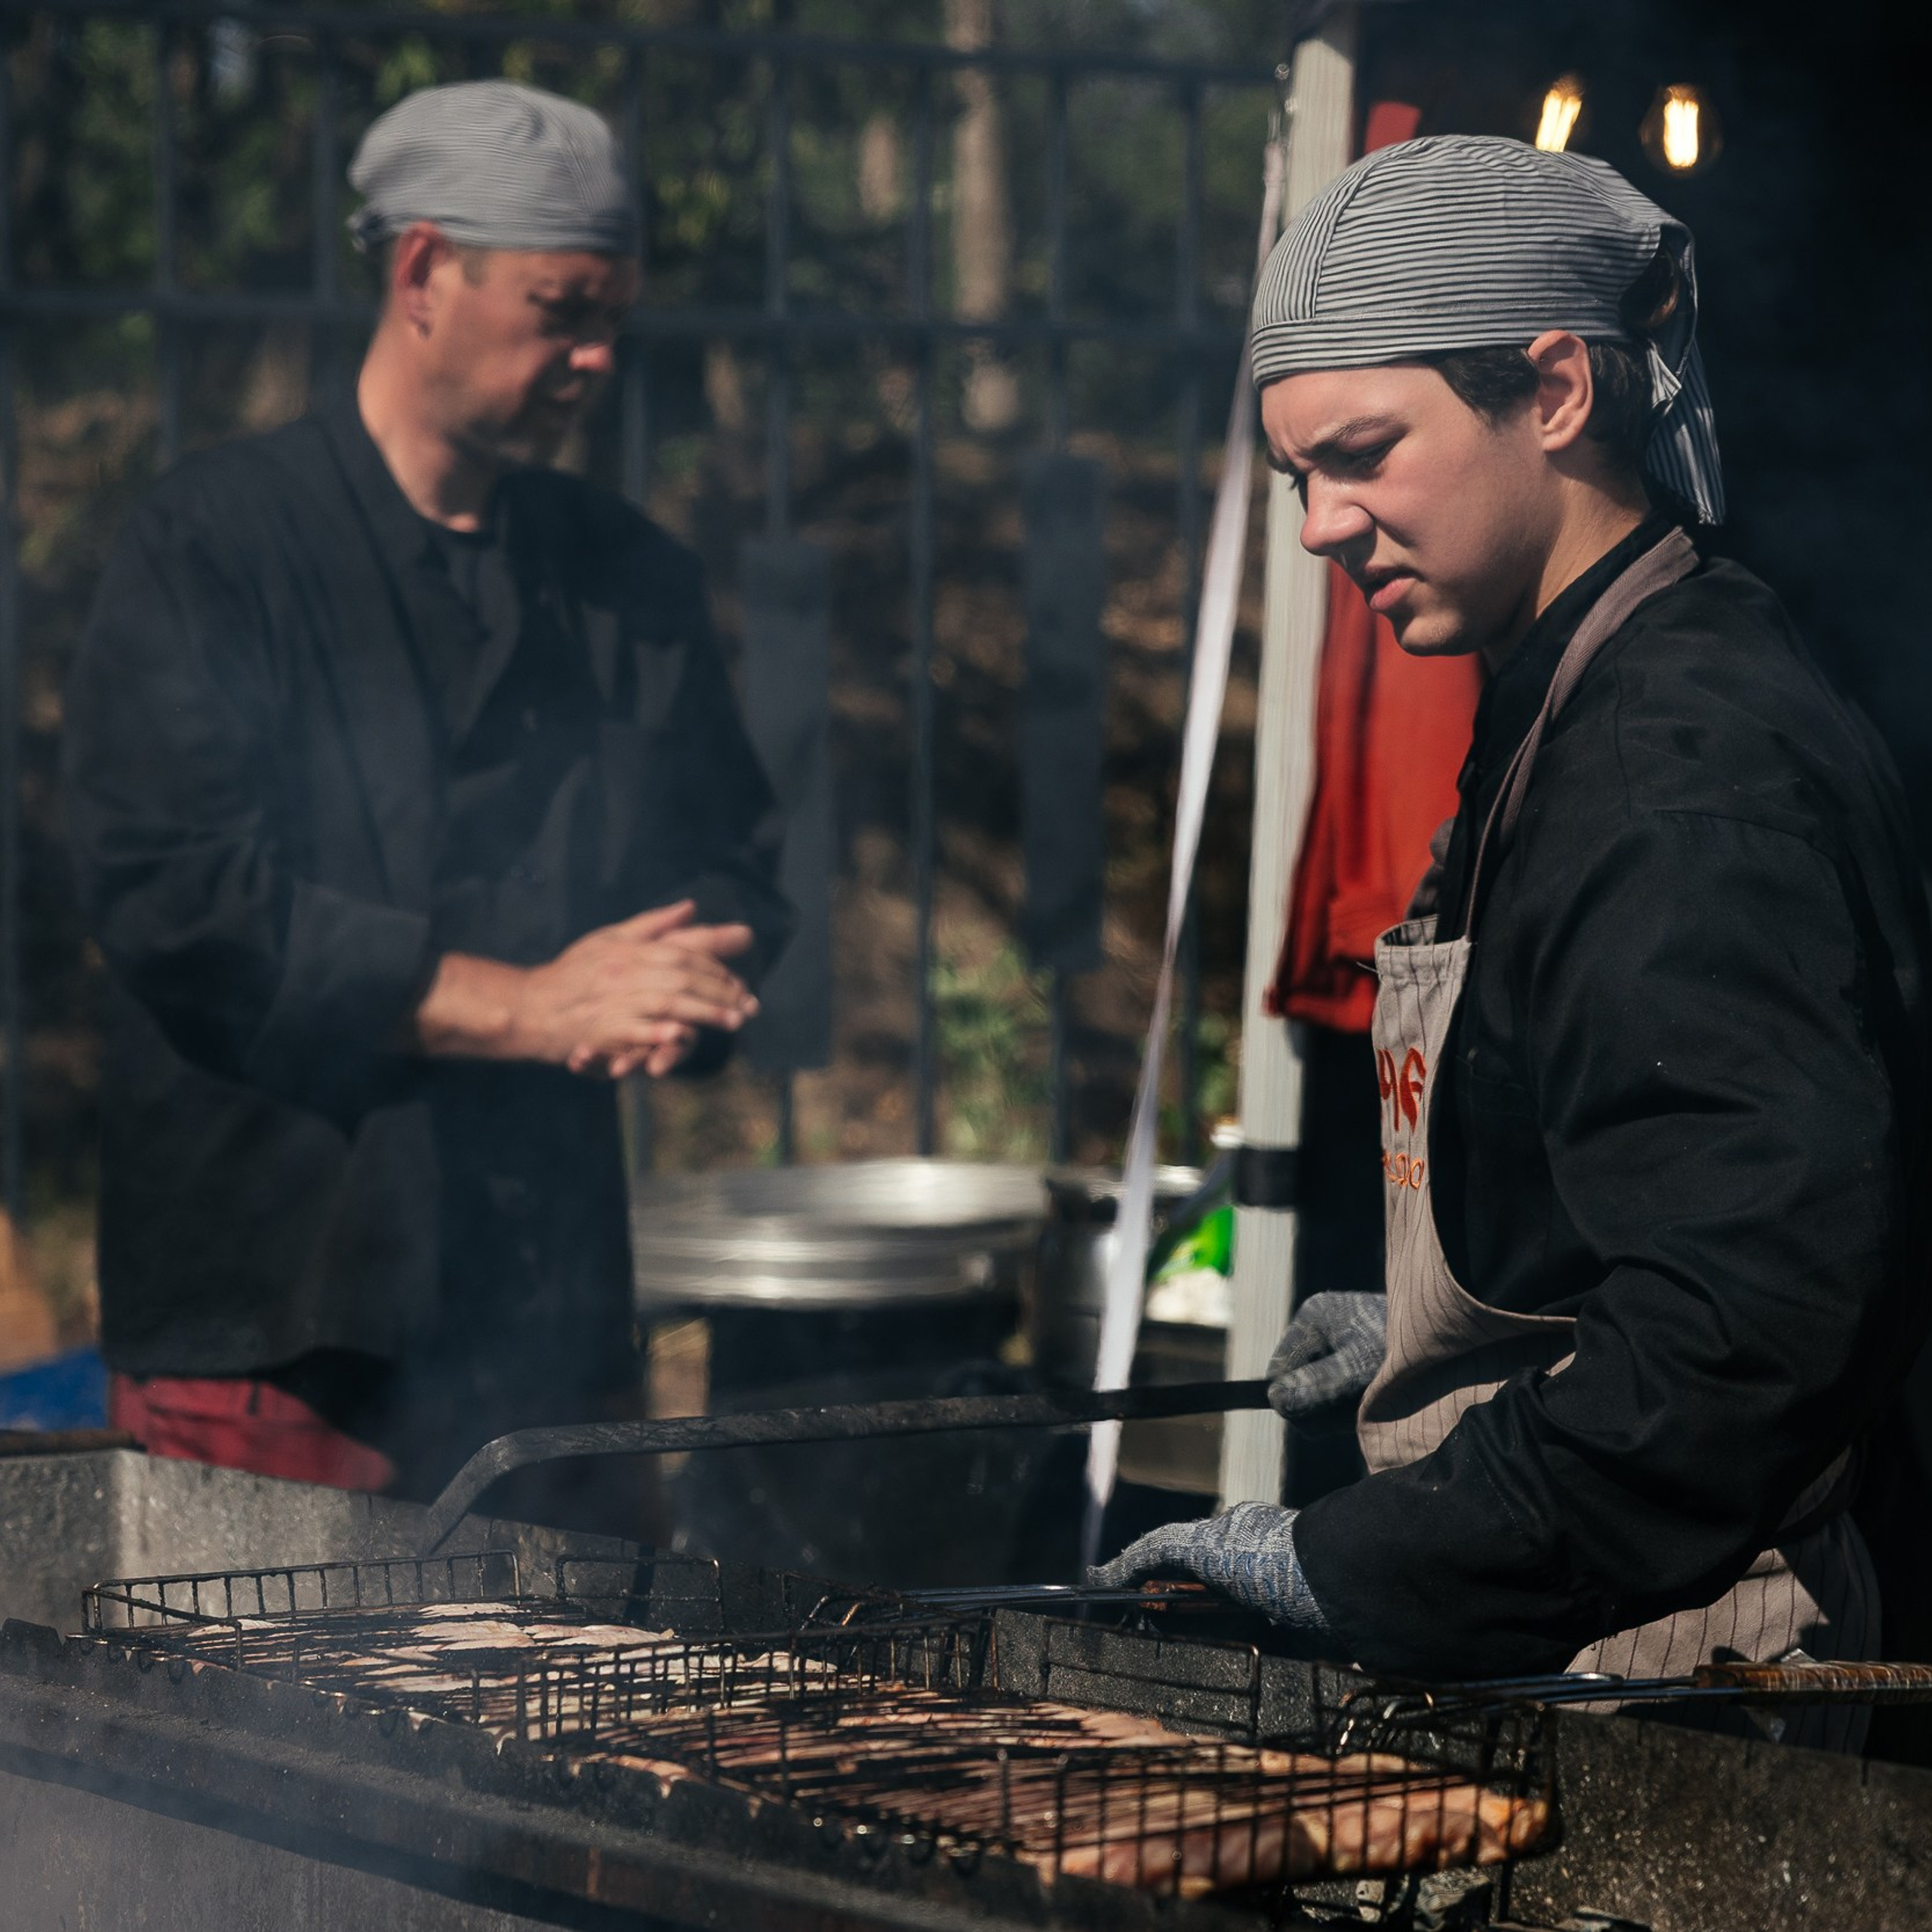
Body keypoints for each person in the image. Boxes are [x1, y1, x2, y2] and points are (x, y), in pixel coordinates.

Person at [1094, 136, 1932, 1749]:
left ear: (1553, 389)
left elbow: (1747, 1311)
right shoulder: (1574, 685)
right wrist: (1456, 1315)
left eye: (1359, 454)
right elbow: (1660, 1165)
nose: (1320, 525)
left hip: (1706, 1683)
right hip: (1615, 1636)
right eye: (1293, 479)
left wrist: (1367, 1560)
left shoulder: (1669, 761)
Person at [64, 81, 791, 1504]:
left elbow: (734, 857)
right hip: (279, 1315)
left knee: (569, 1715)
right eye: (561, 308)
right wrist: (525, 1006)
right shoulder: (215, 544)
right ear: (422, 272)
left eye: (614, 317)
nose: (595, 355)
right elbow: (175, 898)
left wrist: (686, 977)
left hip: (548, 1315)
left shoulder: (627, 574)